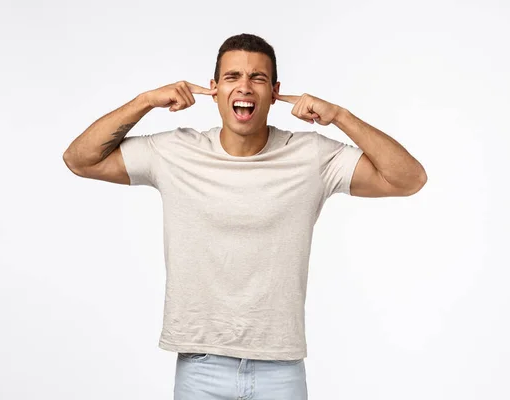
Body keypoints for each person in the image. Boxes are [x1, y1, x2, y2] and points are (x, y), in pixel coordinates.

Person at [63, 33, 427, 400]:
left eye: (258, 78)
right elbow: (80, 159)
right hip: (200, 365)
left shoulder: (310, 156)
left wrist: (340, 117)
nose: (245, 87)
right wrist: (145, 102)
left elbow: (409, 178)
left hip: (280, 368)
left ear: (274, 91)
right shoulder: (175, 151)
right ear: (214, 89)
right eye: (233, 77)